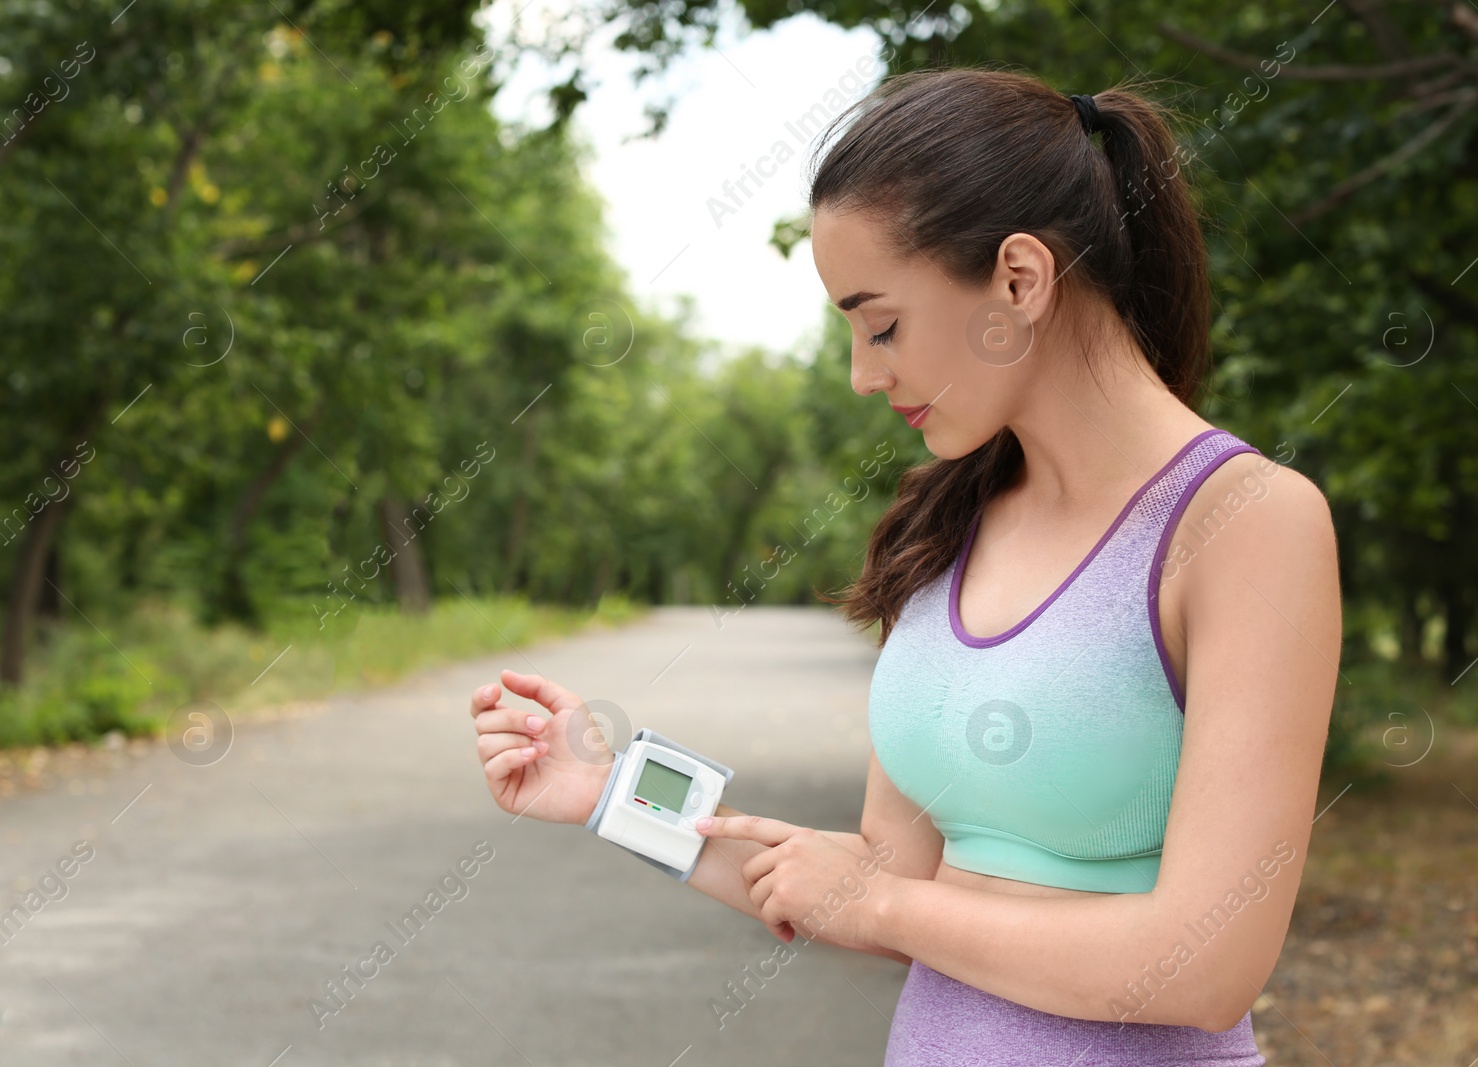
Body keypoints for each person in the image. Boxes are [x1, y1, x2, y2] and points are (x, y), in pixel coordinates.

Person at [467, 67, 1341, 1066]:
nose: (863, 372)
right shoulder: (948, 523)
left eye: (880, 324)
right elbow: (881, 879)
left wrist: (887, 900)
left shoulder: (1244, 521)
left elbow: (1204, 963)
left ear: (1019, 279)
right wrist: (606, 789)